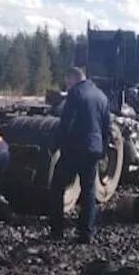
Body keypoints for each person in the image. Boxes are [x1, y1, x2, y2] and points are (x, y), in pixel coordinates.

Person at [49, 67, 110, 243]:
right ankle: (86, 234)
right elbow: (106, 127)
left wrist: (56, 146)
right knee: (89, 191)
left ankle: (57, 231)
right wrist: (102, 151)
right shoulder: (101, 96)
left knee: (57, 188)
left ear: (73, 79)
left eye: (67, 83)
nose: (67, 86)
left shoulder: (75, 93)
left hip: (75, 148)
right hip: (93, 150)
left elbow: (66, 122)